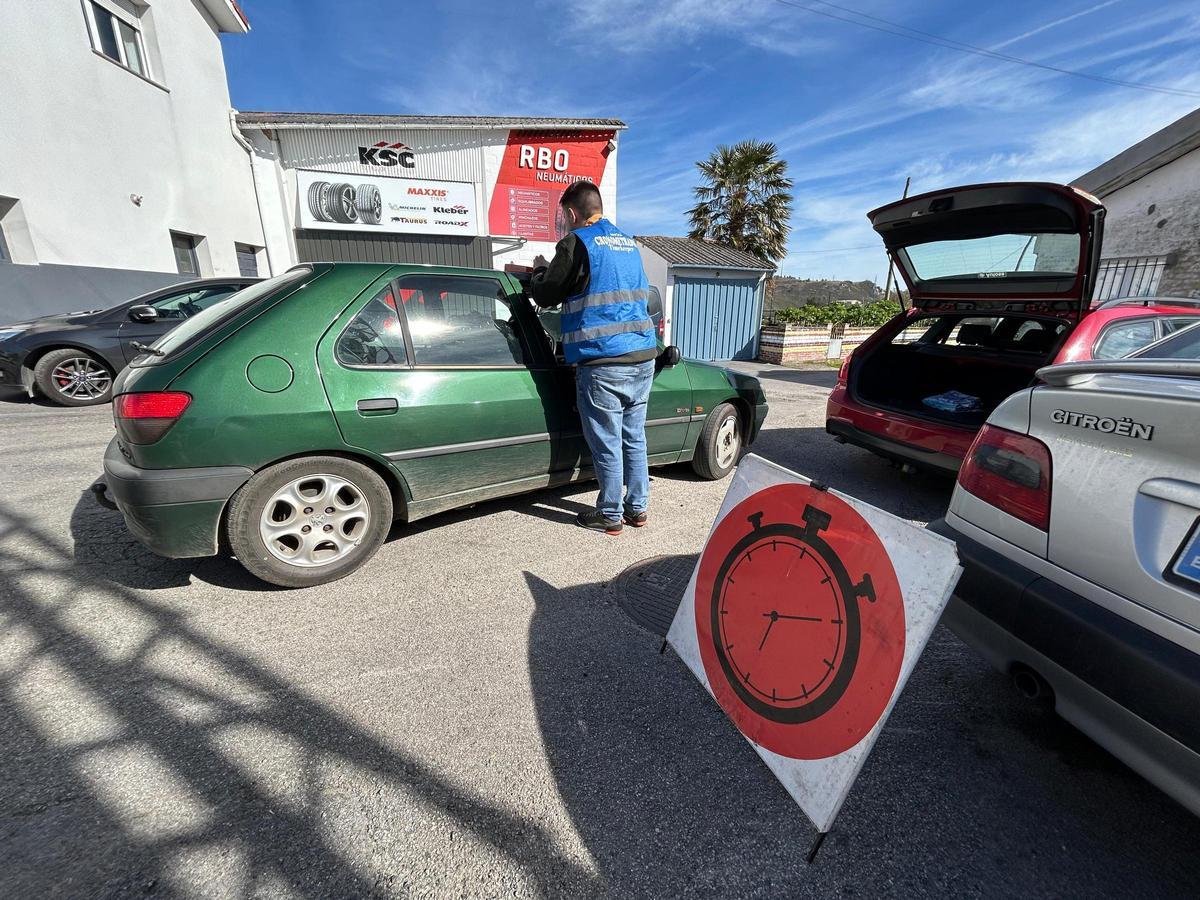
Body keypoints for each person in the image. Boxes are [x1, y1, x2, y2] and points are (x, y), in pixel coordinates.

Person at [529, 180, 658, 536]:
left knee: (606, 442)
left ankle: (610, 514)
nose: (563, 224)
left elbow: (548, 293)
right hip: (642, 357)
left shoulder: (577, 243)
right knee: (634, 437)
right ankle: (637, 508)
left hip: (603, 363)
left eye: (563, 217)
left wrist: (541, 269)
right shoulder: (628, 245)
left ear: (572, 213)